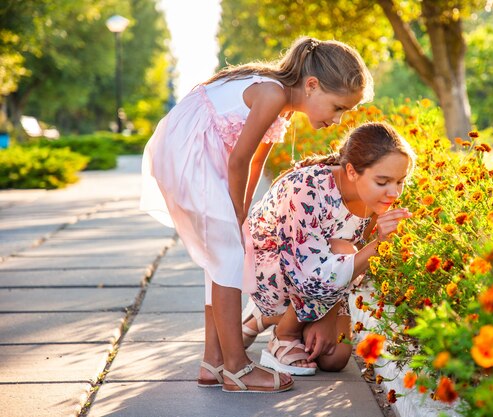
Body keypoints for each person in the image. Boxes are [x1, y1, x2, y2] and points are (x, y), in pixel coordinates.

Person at [139, 36, 373, 393]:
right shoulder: (272, 93)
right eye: (338, 107)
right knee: (228, 257)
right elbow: (238, 159)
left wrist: (242, 213)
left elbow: (255, 161)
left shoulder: (281, 103)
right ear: (311, 86)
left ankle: (213, 360)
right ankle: (237, 368)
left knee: (220, 259)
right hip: (191, 154)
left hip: (195, 153)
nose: (338, 120)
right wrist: (233, 212)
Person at [241, 122, 414, 375]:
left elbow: (352, 264)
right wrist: (380, 244)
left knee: (334, 358)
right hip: (274, 271)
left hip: (323, 279)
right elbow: (308, 272)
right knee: (344, 249)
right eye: (383, 181)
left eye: (401, 181)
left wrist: (328, 314)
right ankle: (284, 332)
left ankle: (263, 318)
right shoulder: (306, 188)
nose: (394, 192)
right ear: (352, 171)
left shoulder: (375, 199)